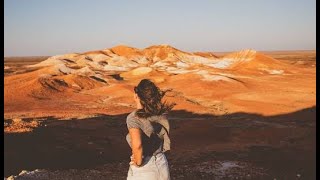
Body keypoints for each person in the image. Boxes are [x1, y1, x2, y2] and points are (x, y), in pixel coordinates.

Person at [126, 79, 175, 180]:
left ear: (136, 96)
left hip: (145, 168)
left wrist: (138, 163)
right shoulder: (160, 113)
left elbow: (138, 145)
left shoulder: (133, 118)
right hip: (162, 163)